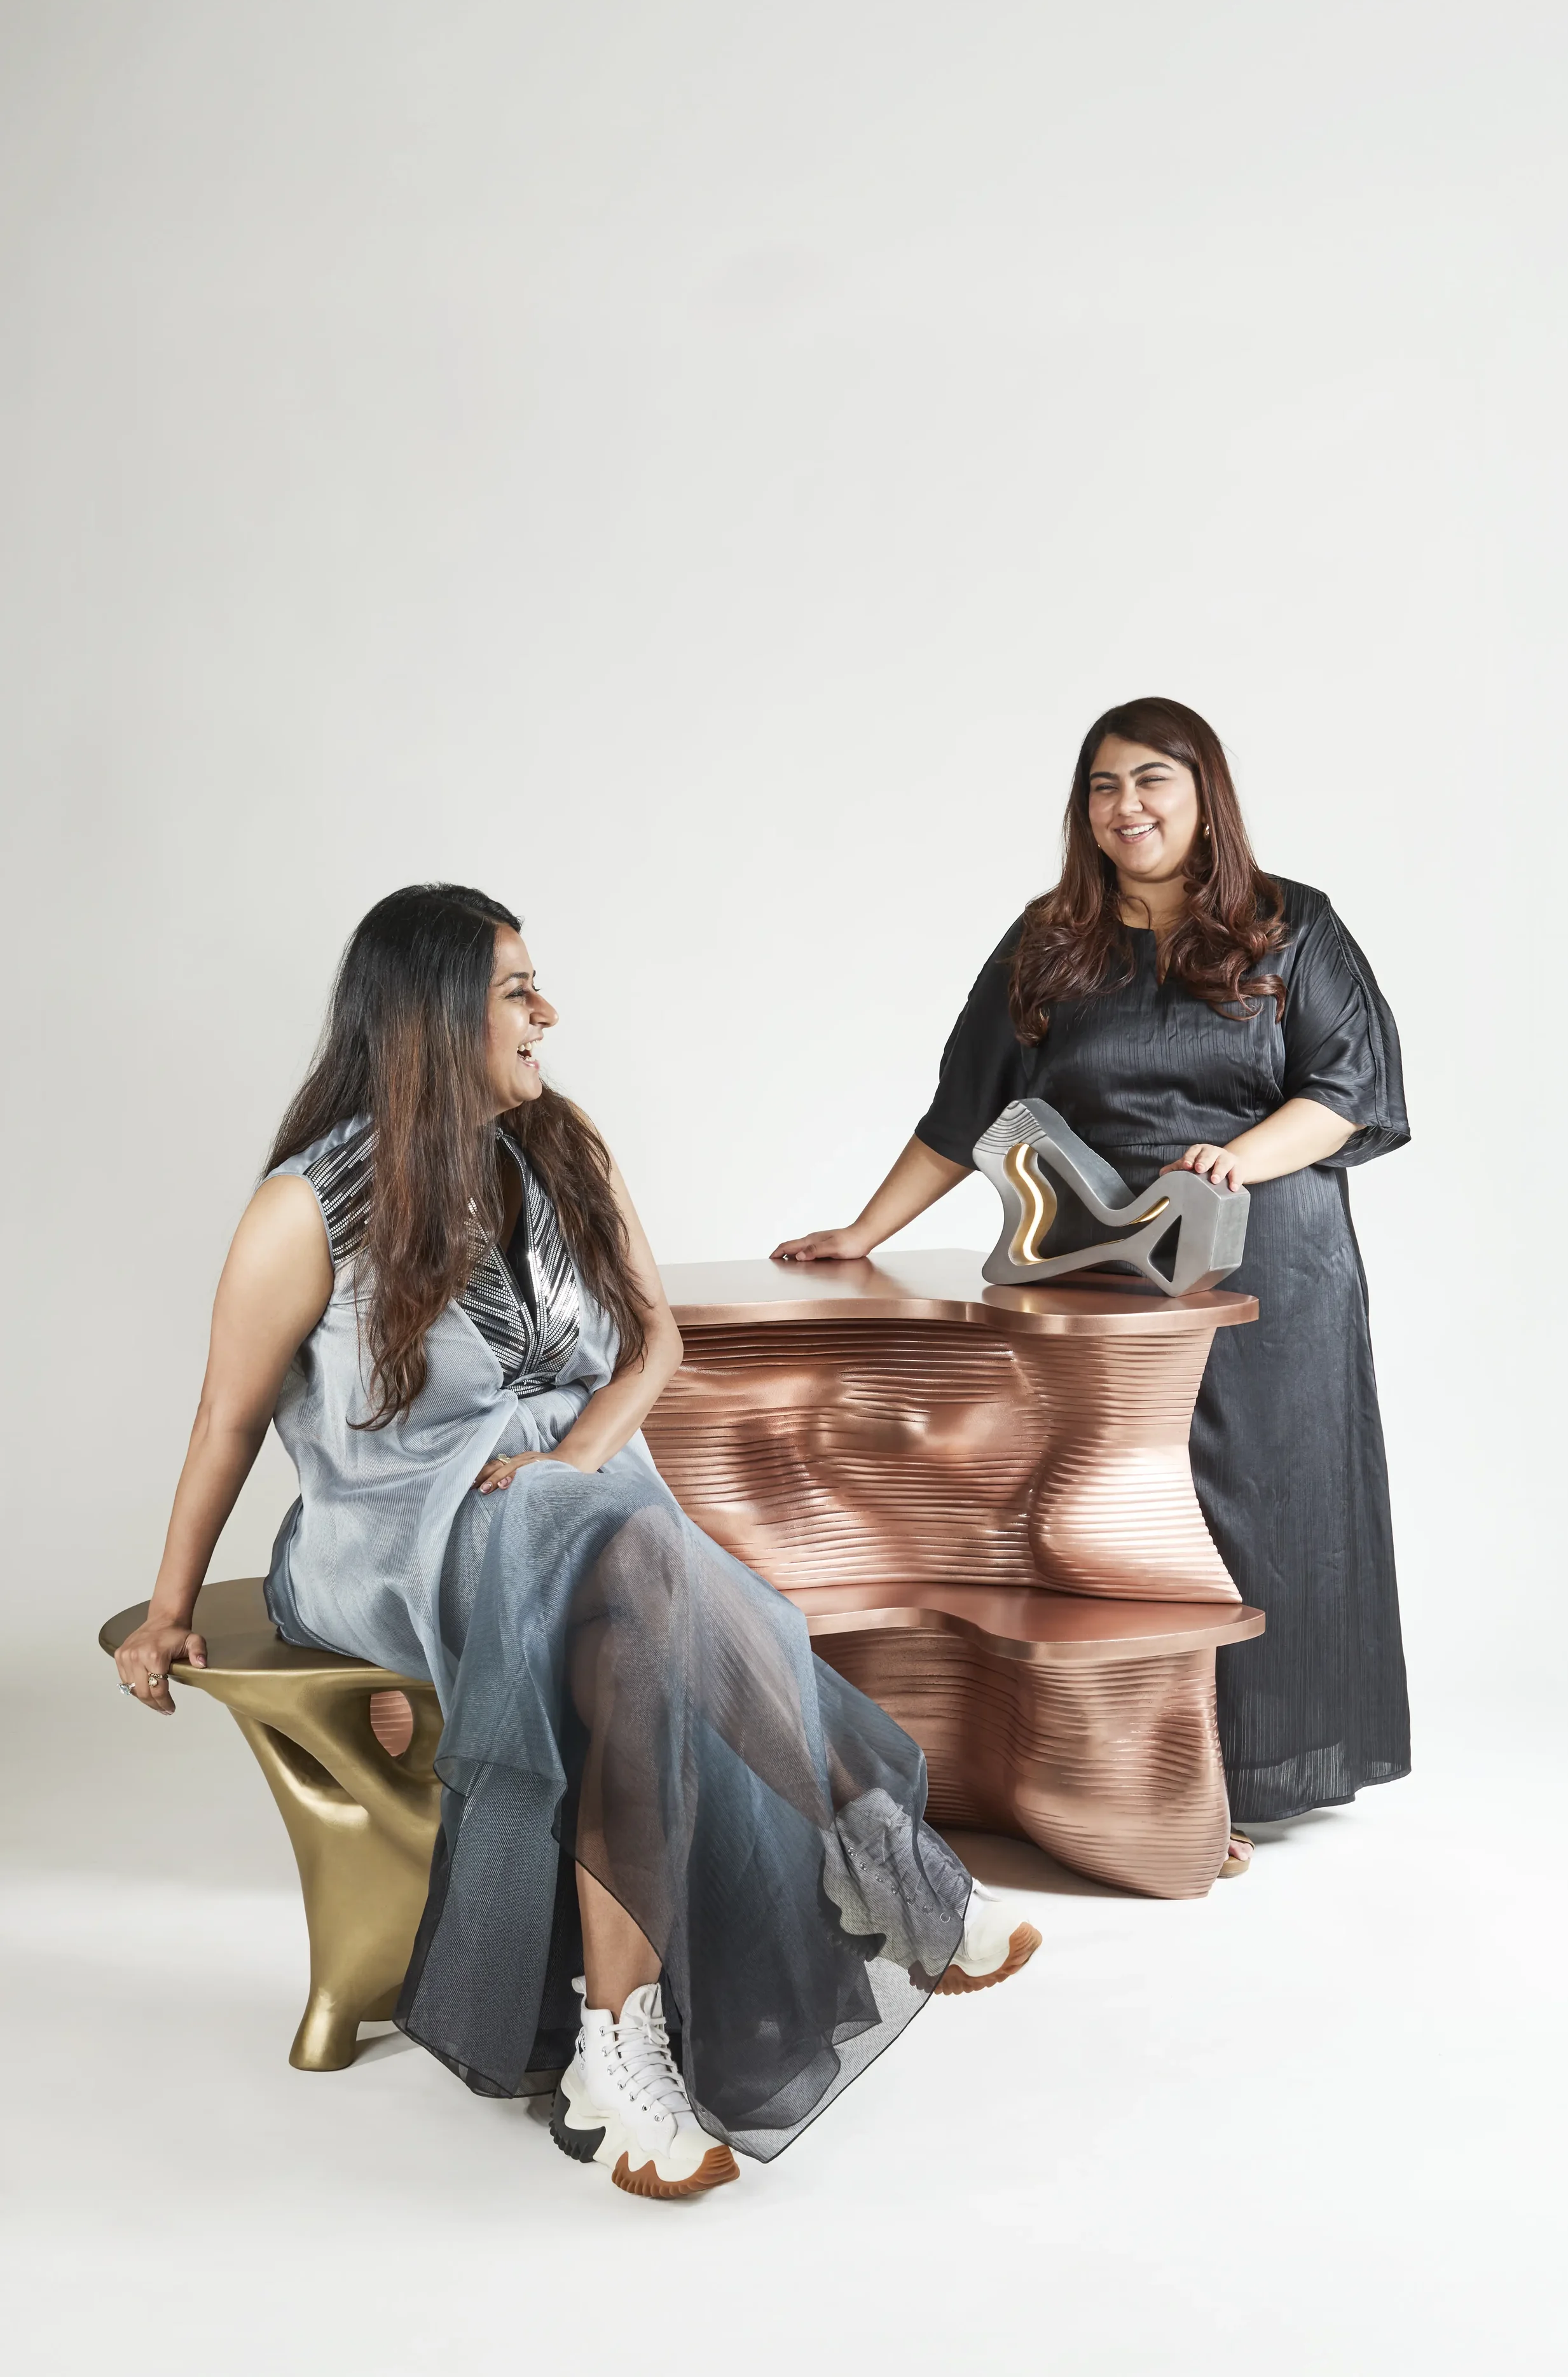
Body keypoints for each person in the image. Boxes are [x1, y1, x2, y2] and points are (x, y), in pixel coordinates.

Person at [114, 885, 1040, 2200]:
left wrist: (563, 1468)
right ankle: (879, 1849)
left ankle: (622, 2044)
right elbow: (225, 1419)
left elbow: (652, 1339)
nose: (547, 1013)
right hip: (389, 1545)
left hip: (577, 1514)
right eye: (515, 991)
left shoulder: (561, 1151)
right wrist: (164, 1608)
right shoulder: (302, 1209)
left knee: (623, 1593)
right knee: (630, 1559)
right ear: (434, 1018)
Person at [774, 699, 1410, 1858]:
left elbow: (1349, 1089)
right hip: (1101, 1279)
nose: (1128, 808)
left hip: (1270, 1268)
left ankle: (1236, 1776)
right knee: (1125, 1528)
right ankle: (1150, 1778)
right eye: (1105, 788)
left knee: (1262, 1515)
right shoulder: (1048, 942)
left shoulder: (1291, 927)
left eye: (1153, 781)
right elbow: (965, 1113)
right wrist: (862, 1234)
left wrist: (1236, 1156)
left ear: (1203, 790)